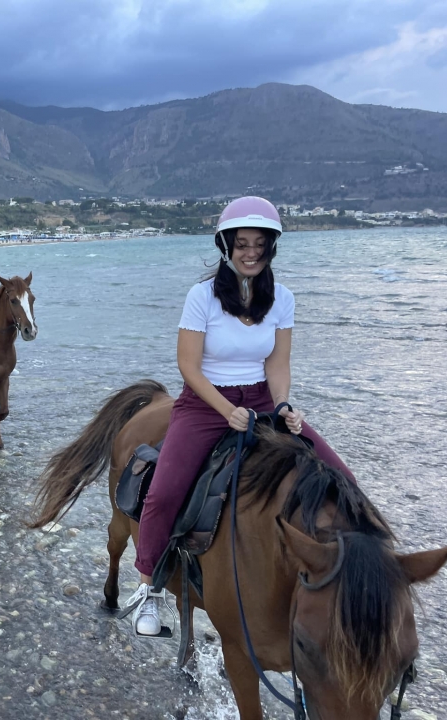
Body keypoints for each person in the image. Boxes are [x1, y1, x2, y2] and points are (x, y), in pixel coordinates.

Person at [125, 196, 356, 637]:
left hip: (263, 402)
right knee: (164, 491)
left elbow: (278, 363)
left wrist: (284, 404)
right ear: (226, 247)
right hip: (205, 402)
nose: (251, 252)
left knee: (342, 479)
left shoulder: (282, 298)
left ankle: (352, 582)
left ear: (272, 248)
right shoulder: (202, 296)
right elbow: (188, 365)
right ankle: (148, 588)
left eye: (260, 244)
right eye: (242, 243)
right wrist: (226, 409)